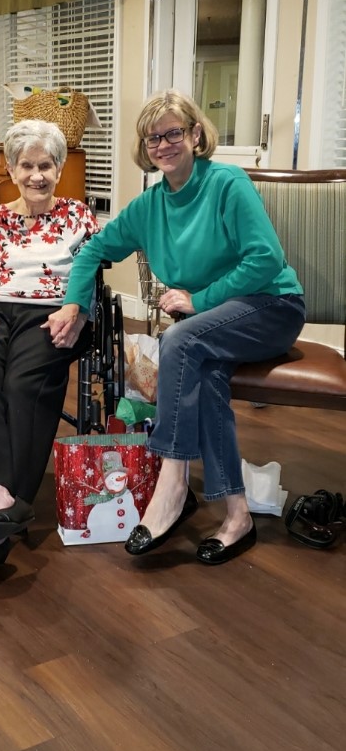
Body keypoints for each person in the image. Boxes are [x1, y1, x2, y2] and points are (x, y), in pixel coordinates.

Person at [44, 89, 306, 566]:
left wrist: (198, 300)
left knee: (178, 339)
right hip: (212, 325)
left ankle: (172, 481)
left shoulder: (226, 183)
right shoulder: (149, 207)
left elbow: (266, 259)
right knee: (204, 374)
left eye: (173, 133)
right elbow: (92, 251)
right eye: (153, 138)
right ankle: (237, 515)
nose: (163, 145)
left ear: (195, 134)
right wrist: (74, 305)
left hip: (272, 306)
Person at [0, 119, 98, 567]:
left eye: (46, 165)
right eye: (26, 166)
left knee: (23, 384)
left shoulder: (78, 217)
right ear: (11, 170)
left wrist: (79, 312)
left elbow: (92, 274)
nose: (36, 176)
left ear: (59, 168)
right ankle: (0, 500)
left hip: (50, 311)